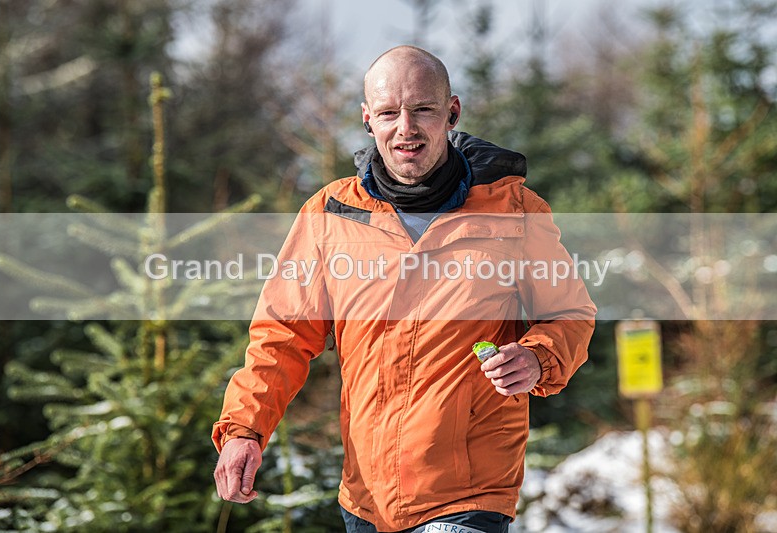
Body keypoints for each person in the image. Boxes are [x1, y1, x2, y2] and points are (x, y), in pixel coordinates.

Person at [213, 45, 596, 533]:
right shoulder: (330, 214)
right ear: (368, 119)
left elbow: (570, 313)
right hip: (365, 496)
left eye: (423, 110)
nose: (406, 128)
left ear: (451, 112)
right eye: (390, 113)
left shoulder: (513, 211)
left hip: (469, 489)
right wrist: (244, 429)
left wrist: (539, 356)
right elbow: (281, 336)